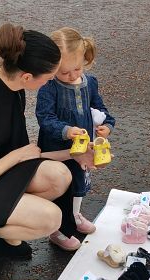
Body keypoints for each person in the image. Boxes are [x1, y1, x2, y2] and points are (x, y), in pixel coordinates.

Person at [0, 23, 95, 280]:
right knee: (51, 217)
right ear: (26, 76)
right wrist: (15, 156)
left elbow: (28, 154)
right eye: (47, 78)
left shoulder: (13, 89)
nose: (49, 83)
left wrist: (75, 154)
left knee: (59, 175)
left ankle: (1, 230)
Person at [36, 27, 115, 251]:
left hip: (84, 147)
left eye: (77, 68)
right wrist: (66, 130)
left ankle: (74, 215)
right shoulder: (49, 87)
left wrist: (106, 126)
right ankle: (58, 228)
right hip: (58, 147)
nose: (72, 75)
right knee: (62, 185)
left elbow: (100, 108)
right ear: (52, 68)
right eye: (64, 72)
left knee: (80, 182)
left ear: (85, 61)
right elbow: (45, 117)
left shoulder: (90, 82)